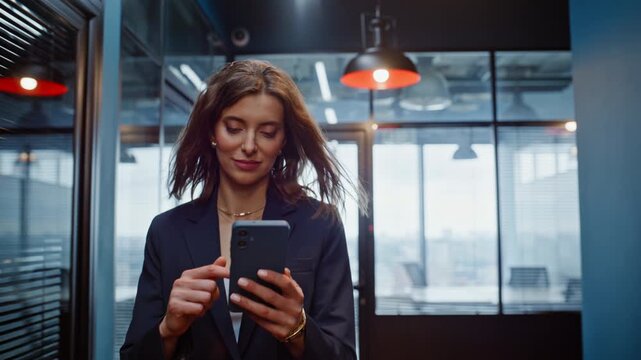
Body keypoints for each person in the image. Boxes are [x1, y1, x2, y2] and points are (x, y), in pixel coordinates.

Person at [120, 60, 364, 360]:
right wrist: (169, 328)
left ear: (283, 139)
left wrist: (298, 328)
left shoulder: (320, 224)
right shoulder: (167, 230)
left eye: (267, 132)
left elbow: (343, 355)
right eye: (234, 128)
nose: (249, 146)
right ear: (212, 131)